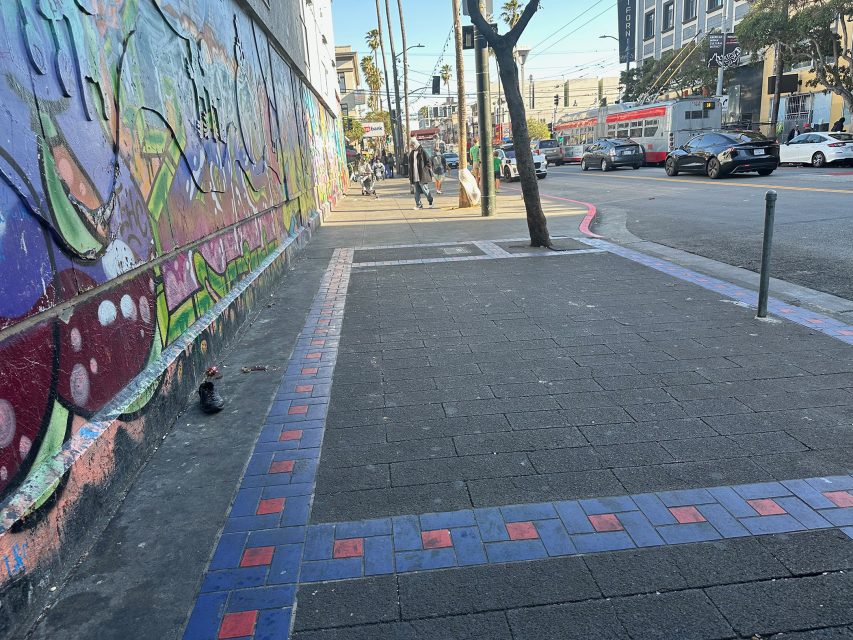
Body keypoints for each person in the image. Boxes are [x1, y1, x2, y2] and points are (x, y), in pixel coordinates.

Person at [408, 138, 434, 210]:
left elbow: (429, 162)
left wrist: (424, 170)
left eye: (412, 145)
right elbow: (410, 165)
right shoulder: (412, 153)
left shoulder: (422, 152)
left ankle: (431, 201)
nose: (411, 147)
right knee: (416, 192)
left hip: (422, 175)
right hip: (414, 176)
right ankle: (419, 205)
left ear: (415, 144)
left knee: (425, 190)